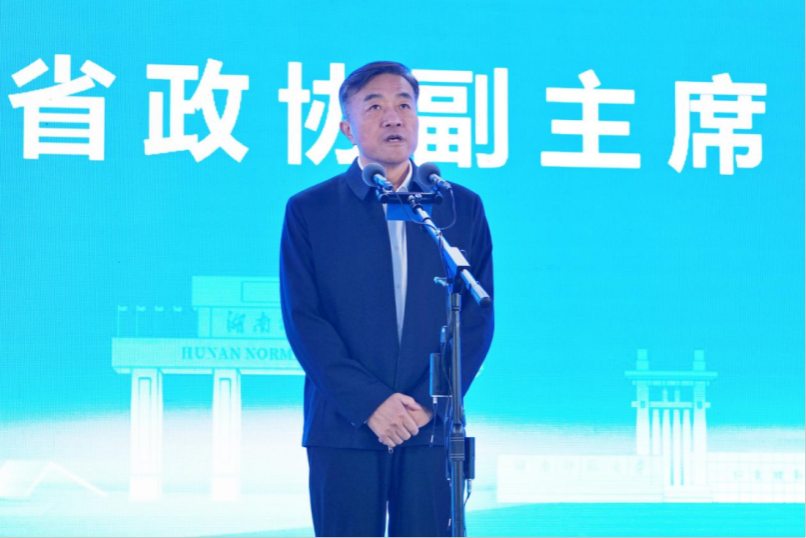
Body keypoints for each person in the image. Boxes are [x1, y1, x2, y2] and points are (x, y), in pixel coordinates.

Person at [280, 61, 494, 538]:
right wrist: (371, 404)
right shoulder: (311, 210)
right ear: (347, 128)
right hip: (345, 424)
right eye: (374, 106)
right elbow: (304, 320)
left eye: (404, 105)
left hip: (429, 427)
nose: (393, 117)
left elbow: (478, 318)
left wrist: (426, 404)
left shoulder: (459, 206)